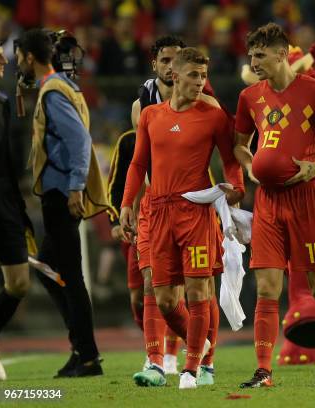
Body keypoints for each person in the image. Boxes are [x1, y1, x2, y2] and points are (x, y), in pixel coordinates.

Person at [234, 22, 315, 387]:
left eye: (260, 54)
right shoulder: (250, 98)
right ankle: (263, 371)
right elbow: (239, 143)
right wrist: (249, 166)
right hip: (268, 202)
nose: (253, 61)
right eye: (250, 55)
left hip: (308, 198)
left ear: (281, 53)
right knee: (266, 288)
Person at [120, 47, 244, 389]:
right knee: (164, 299)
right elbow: (138, 163)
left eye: (204, 76)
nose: (201, 83)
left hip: (195, 211)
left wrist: (237, 185)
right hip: (158, 210)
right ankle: (200, 347)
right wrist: (128, 203)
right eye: (194, 75)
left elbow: (230, 159)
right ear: (175, 76)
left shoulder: (214, 115)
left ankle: (192, 370)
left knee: (198, 288)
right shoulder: (150, 116)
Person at [17, 28, 110, 377]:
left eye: (21, 57)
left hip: (61, 195)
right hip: (59, 193)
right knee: (49, 267)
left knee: (69, 275)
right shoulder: (62, 87)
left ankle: (87, 354)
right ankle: (81, 346)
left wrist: (74, 188)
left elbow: (79, 142)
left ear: (29, 57)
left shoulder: (54, 91)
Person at [109, 35, 189, 380]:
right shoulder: (143, 104)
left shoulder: (201, 97)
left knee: (177, 285)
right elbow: (137, 161)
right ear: (154, 63)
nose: (172, 68)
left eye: (177, 60)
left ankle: (167, 356)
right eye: (165, 60)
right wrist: (123, 207)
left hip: (187, 204)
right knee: (144, 294)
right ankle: (163, 352)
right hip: (152, 205)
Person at [0, 38, 31, 382]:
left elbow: (10, 160)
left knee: (19, 283)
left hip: (4, 204)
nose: (3, 63)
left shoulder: (4, 102)